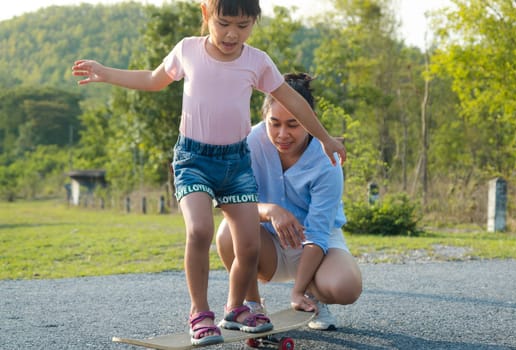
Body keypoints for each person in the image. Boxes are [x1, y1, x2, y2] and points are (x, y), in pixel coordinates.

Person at [71, 0, 346, 346]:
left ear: (254, 23)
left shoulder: (257, 61)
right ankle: (200, 313)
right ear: (205, 14)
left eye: (243, 25)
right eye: (224, 22)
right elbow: (154, 80)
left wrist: (325, 139)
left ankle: (237, 308)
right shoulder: (188, 50)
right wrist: (106, 73)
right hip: (193, 160)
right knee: (200, 230)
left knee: (247, 244)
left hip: (236, 164)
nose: (233, 33)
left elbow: (292, 101)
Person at [216, 73, 362, 331]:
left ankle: (312, 296)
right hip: (266, 243)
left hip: (317, 245)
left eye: (293, 125)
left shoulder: (327, 159)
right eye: (275, 123)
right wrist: (269, 211)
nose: (282, 134)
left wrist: (297, 291)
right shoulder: (249, 143)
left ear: (310, 121)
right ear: (264, 118)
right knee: (229, 230)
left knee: (346, 287)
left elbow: (318, 233)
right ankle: (252, 306)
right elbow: (229, 201)